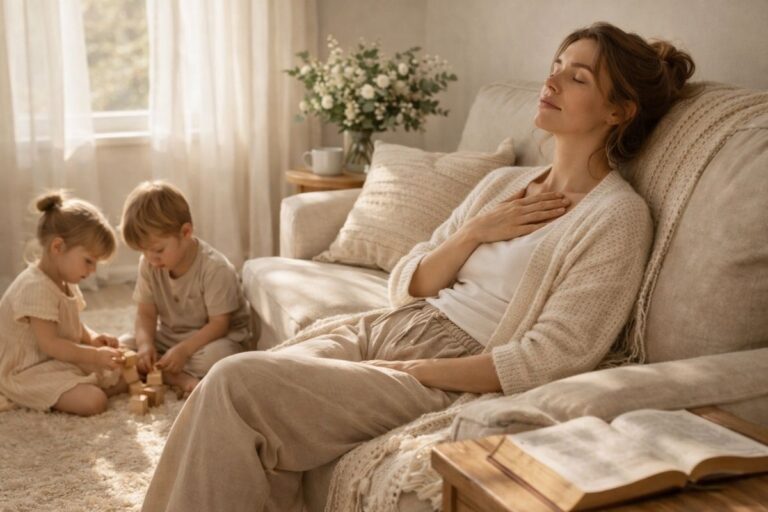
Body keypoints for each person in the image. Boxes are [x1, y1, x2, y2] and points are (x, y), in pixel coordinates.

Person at [143, 22, 695, 511]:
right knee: (224, 382)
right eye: (555, 66)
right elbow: (408, 278)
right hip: (388, 326)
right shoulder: (502, 186)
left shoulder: (617, 217)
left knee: (240, 380)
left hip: (455, 367)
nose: (549, 82)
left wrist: (422, 371)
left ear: (618, 110)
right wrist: (476, 231)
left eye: (577, 77)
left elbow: (548, 358)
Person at [0, 192, 126, 416]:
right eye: (88, 261)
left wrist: (93, 339)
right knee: (94, 401)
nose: (93, 271)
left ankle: (83, 381)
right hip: (26, 370)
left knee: (123, 367)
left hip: (55, 360)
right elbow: (52, 344)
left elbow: (72, 324)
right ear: (57, 247)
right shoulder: (35, 287)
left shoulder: (64, 279)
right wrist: (95, 356)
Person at [119, 181, 250, 394]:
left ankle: (168, 373)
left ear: (186, 232)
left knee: (221, 359)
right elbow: (146, 314)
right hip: (171, 336)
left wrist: (183, 351)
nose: (151, 258)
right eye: (144, 252)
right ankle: (173, 374)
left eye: (158, 250)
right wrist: (145, 346)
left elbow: (219, 325)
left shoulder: (215, 268)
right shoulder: (150, 264)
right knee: (123, 347)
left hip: (211, 339)